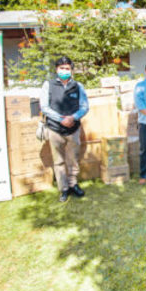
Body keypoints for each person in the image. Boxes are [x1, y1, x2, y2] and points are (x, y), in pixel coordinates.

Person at [40, 56, 89, 202]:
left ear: (71, 70)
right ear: (56, 69)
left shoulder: (78, 86)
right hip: (55, 129)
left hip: (73, 129)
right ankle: (64, 189)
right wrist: (62, 119)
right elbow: (44, 107)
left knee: (73, 159)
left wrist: (72, 118)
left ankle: (73, 184)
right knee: (59, 161)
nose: (64, 70)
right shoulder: (48, 85)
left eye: (67, 68)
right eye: (61, 68)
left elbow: (85, 107)